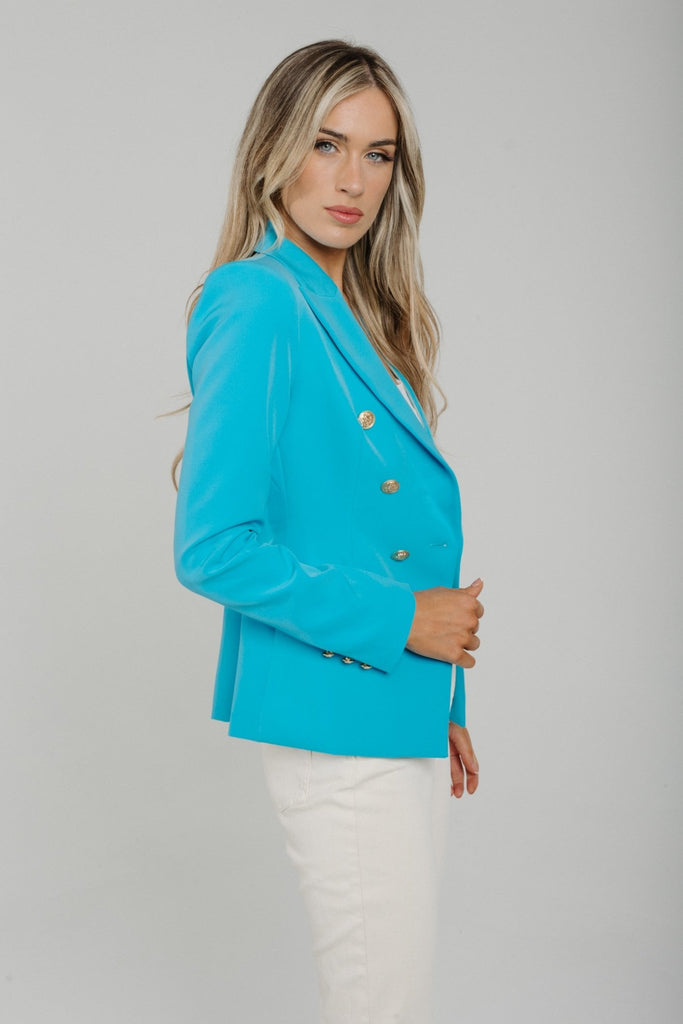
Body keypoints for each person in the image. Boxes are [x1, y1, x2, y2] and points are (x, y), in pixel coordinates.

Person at [173, 38, 484, 1024]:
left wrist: (437, 694)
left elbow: (372, 524)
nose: (353, 181)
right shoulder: (258, 296)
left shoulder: (353, 311)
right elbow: (213, 546)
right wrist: (404, 625)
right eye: (325, 144)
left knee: (389, 998)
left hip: (389, 707)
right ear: (275, 150)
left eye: (377, 154)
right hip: (336, 712)